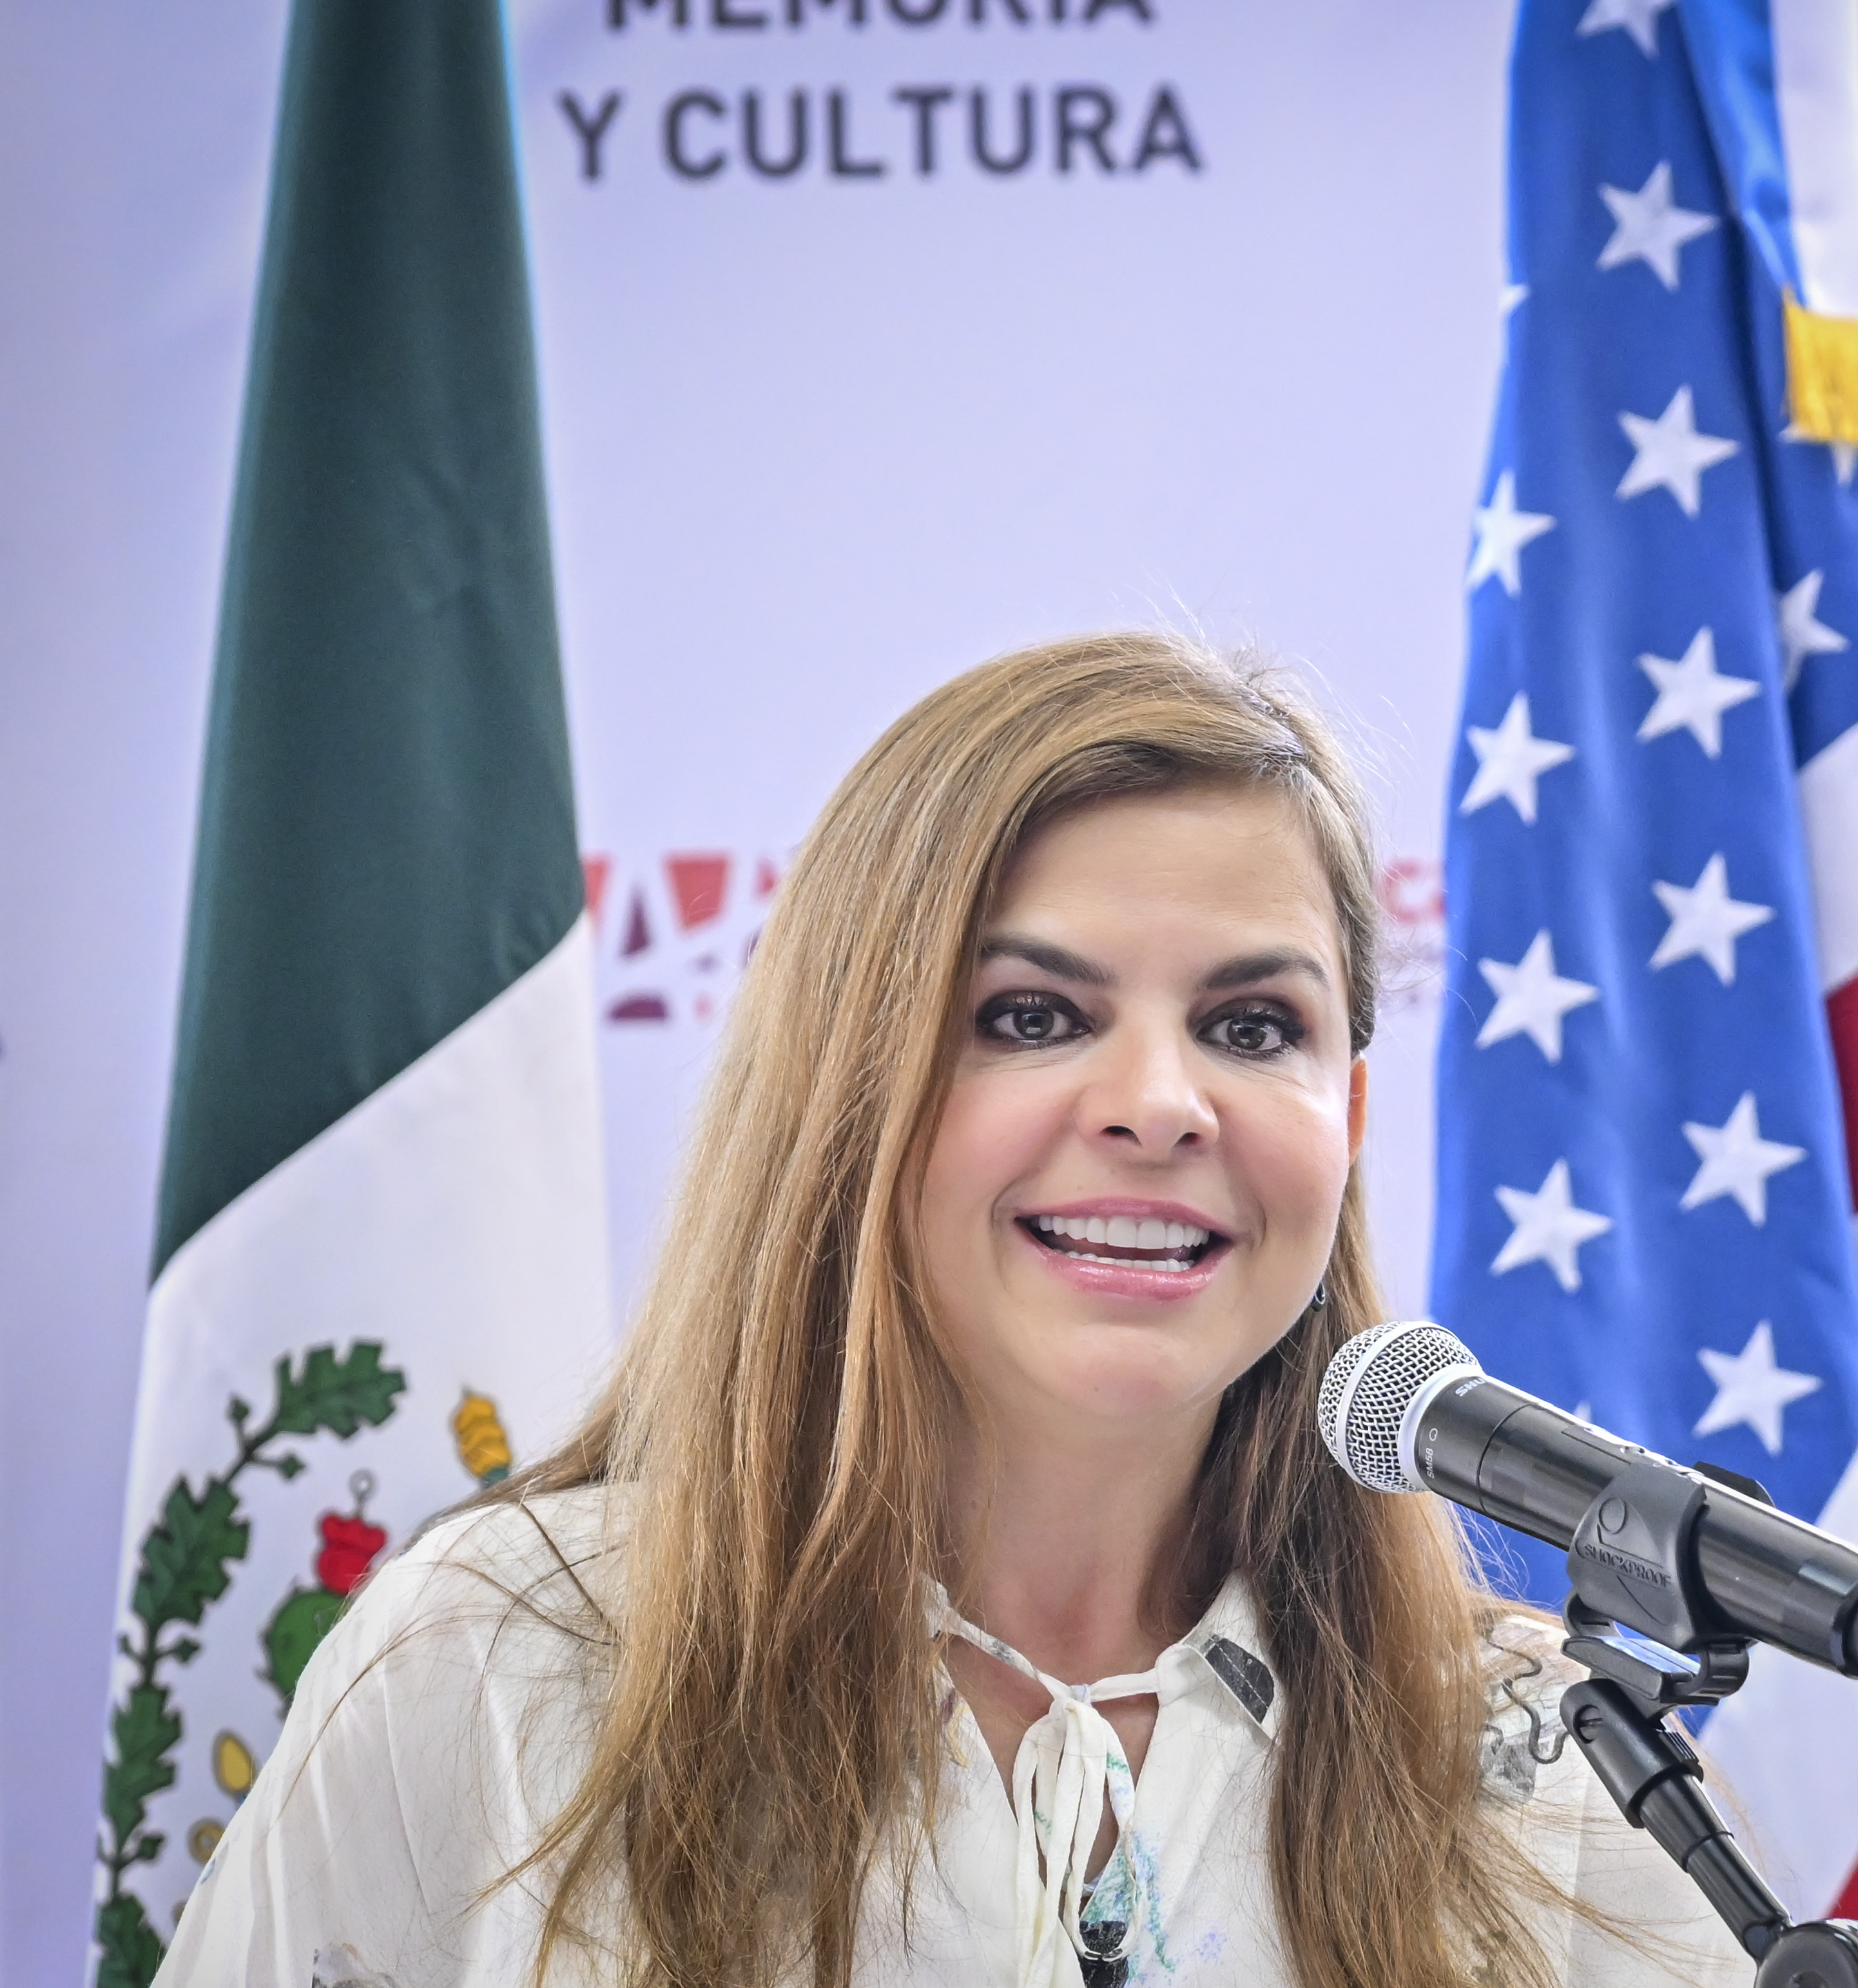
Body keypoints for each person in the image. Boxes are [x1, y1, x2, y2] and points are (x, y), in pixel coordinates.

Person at [158, 633, 1754, 1988]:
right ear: (846, 1086)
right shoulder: (499, 1658)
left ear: (1345, 1114)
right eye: (1031, 1015)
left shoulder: (1548, 1762)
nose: (1159, 1103)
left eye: (1250, 1026)